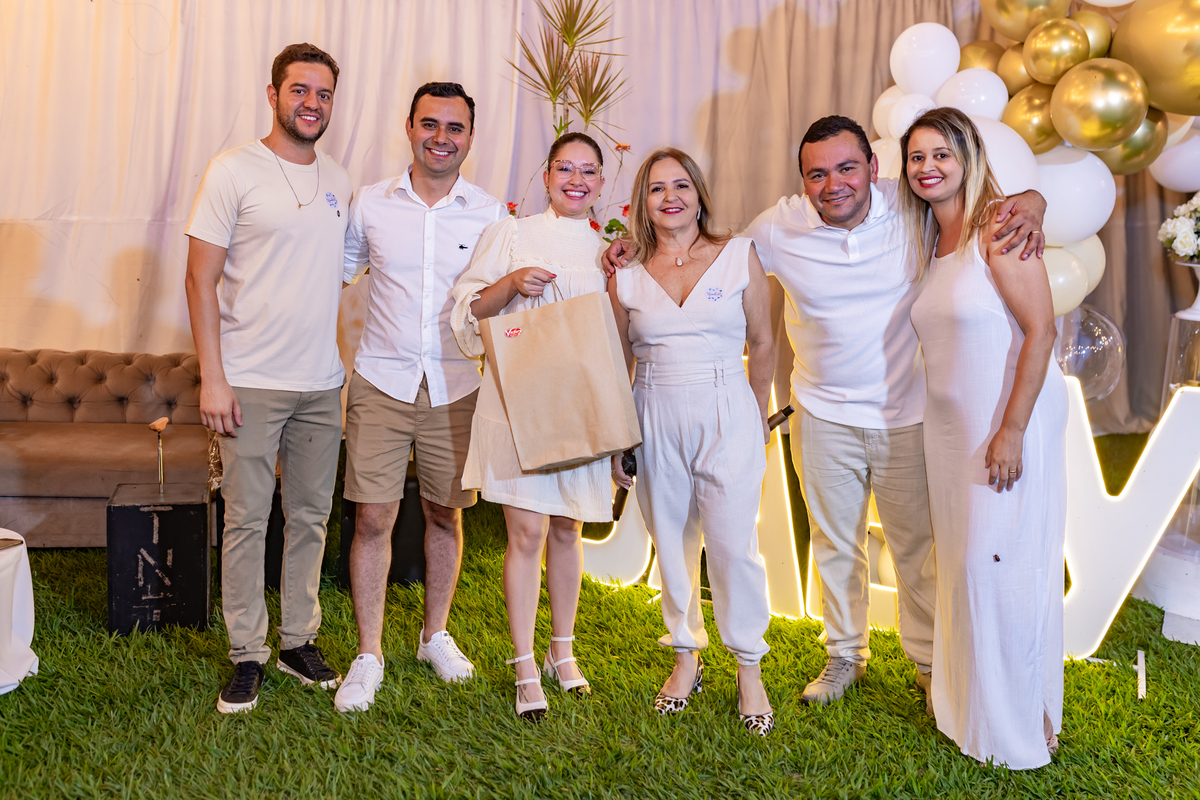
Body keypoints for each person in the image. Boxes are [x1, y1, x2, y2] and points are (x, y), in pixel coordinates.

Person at [604, 115, 1046, 710]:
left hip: (907, 413)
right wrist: (636, 245)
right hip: (819, 414)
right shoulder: (777, 228)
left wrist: (1034, 199)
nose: (833, 184)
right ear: (802, 181)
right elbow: (708, 250)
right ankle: (845, 656)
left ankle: (927, 663)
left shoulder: (910, 206)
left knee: (916, 549)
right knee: (835, 545)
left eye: (847, 168)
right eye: (817, 174)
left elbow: (979, 200)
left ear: (874, 169)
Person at [184, 43, 350, 713]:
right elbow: (199, 279)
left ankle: (297, 640)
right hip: (248, 380)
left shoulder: (339, 180)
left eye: (323, 93)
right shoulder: (232, 170)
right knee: (248, 520)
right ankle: (247, 653)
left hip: (321, 382)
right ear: (273, 93)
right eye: (299, 89)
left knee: (310, 517)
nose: (311, 103)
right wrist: (213, 378)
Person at [332, 83, 505, 714]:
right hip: (381, 381)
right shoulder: (370, 203)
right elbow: (335, 271)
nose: (441, 137)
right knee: (372, 519)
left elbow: (510, 291)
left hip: (457, 384)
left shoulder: (490, 214)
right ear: (408, 127)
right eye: (429, 124)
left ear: (470, 137)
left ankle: (435, 636)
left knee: (445, 514)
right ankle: (368, 654)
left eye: (454, 128)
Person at [901, 107, 1066, 769]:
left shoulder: (999, 227)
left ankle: (1022, 721)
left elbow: (1041, 331)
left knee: (997, 567)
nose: (927, 167)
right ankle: (972, 707)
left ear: (969, 157)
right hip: (950, 431)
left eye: (941, 153)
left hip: (1003, 423)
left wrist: (1012, 430)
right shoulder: (931, 237)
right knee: (965, 568)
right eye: (916, 156)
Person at [608, 148, 777, 736]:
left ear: (699, 194)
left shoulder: (738, 255)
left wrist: (755, 414)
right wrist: (620, 438)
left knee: (733, 546)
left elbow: (763, 340)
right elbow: (620, 360)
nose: (671, 197)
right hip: (654, 408)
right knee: (672, 542)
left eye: (681, 185)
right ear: (643, 202)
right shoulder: (626, 275)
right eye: (657, 188)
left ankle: (749, 667)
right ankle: (685, 656)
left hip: (727, 404)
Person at [450, 132, 612, 722]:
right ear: (546, 176)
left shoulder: (608, 251)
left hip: (579, 405)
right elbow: (468, 311)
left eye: (588, 171)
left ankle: (561, 651)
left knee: (569, 529)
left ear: (601, 182)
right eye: (565, 168)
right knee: (526, 535)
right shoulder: (511, 234)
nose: (576, 180)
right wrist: (511, 284)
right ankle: (523, 664)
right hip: (518, 403)